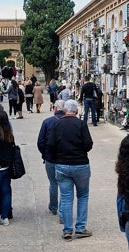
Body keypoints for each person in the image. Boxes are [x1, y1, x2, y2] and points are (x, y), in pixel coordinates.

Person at [48, 99, 93, 240]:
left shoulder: (57, 124)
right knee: (83, 196)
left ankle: (67, 230)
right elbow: (88, 144)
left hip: (61, 164)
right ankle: (80, 228)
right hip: (80, 164)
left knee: (66, 198)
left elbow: (50, 145)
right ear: (77, 111)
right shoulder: (81, 124)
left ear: (64, 110)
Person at [37, 99, 65, 221]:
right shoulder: (68, 123)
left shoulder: (47, 122)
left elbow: (40, 141)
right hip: (64, 158)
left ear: (55, 109)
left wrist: (45, 154)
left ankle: (53, 207)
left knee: (53, 183)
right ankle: (62, 208)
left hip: (50, 158)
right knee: (64, 185)